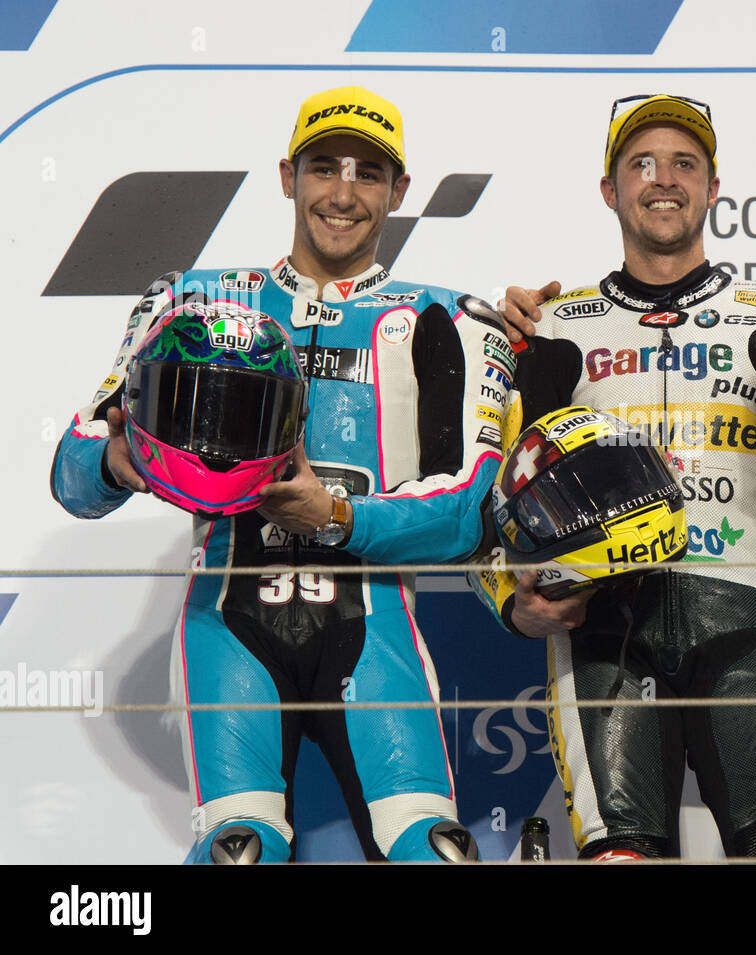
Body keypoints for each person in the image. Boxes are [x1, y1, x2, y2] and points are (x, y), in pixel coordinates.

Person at [50, 86, 508, 863]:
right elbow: (72, 472)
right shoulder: (188, 300)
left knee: (435, 852)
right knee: (239, 850)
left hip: (374, 629)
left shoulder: (450, 318)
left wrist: (333, 516)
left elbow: (467, 516)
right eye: (324, 167)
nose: (342, 193)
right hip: (226, 624)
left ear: (400, 191)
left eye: (369, 173)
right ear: (287, 175)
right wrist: (118, 463)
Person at [480, 94, 756, 860]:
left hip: (747, 622)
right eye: (642, 163)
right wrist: (514, 601)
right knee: (620, 855)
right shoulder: (551, 331)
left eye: (684, 163)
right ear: (610, 190)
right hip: (603, 629)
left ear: (713, 187)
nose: (663, 179)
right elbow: (489, 514)